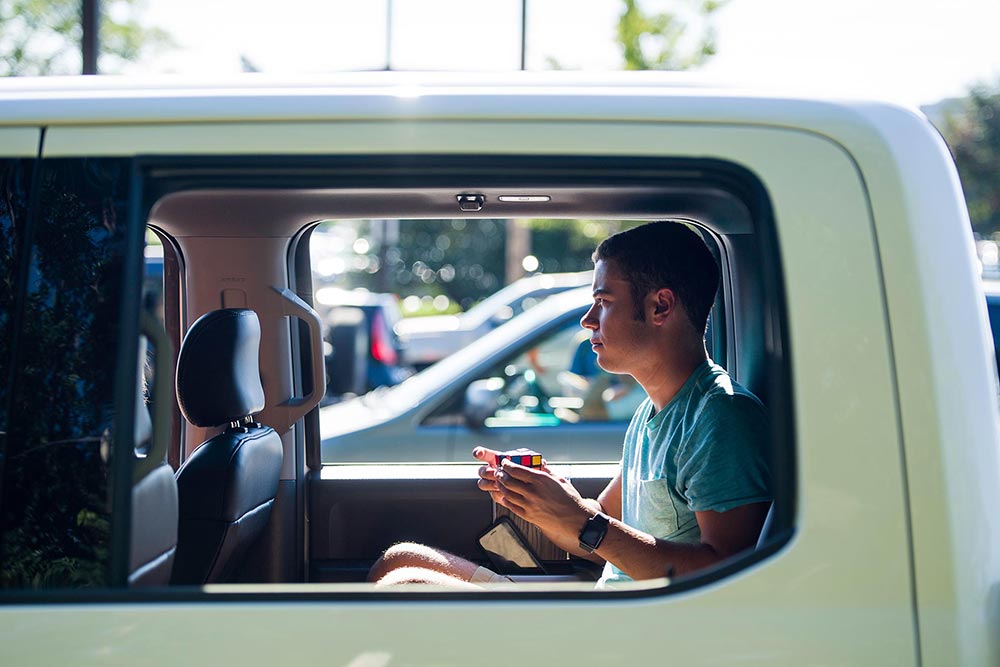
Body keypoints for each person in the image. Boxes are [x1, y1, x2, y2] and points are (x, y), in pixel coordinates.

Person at [368, 221, 772, 588]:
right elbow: (595, 536)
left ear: (660, 307)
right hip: (602, 612)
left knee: (405, 586)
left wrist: (580, 518)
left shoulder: (721, 416)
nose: (588, 320)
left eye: (604, 301)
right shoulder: (652, 413)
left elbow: (727, 573)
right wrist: (543, 499)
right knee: (399, 560)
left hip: (634, 636)